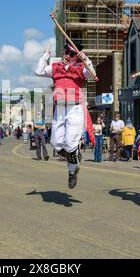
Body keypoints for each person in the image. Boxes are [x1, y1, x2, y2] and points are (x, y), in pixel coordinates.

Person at [35, 44, 97, 189]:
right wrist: (46, 56)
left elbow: (93, 74)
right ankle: (74, 156)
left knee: (70, 144)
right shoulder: (56, 67)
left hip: (74, 108)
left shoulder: (80, 68)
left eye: (71, 53)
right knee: (56, 144)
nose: (67, 55)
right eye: (66, 52)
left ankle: (72, 171)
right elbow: (38, 71)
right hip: (60, 109)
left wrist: (86, 59)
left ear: (76, 56)